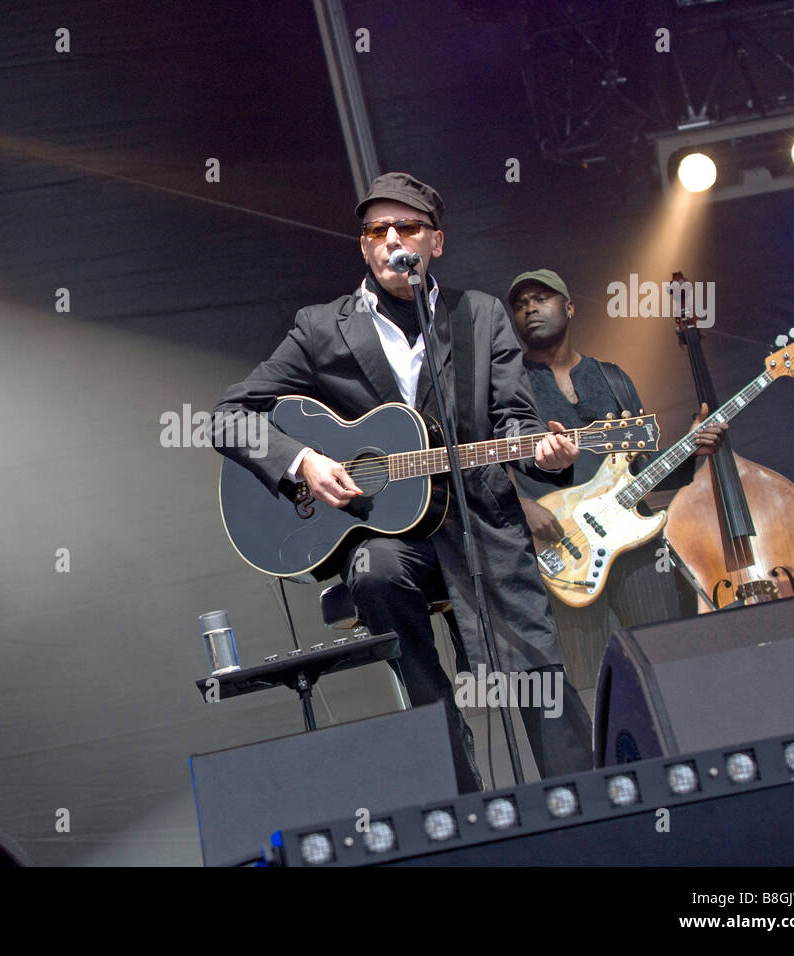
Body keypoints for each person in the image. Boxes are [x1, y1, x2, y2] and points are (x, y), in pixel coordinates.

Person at [214, 173, 592, 787]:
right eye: (376, 230)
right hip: (394, 537)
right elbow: (228, 417)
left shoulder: (481, 316)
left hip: (478, 519)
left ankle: (583, 804)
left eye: (407, 227)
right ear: (363, 247)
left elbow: (515, 422)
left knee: (534, 671)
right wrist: (304, 460)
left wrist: (546, 457)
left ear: (435, 242)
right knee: (376, 573)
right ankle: (450, 776)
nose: (391, 239)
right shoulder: (320, 328)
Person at [506, 269, 727, 688]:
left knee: (668, 663)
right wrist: (522, 507)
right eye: (520, 304)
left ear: (569, 307)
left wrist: (691, 450)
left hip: (636, 546)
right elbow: (482, 466)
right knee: (588, 683)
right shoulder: (508, 388)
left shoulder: (612, 378)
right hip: (561, 548)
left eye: (542, 298)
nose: (530, 308)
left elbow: (640, 470)